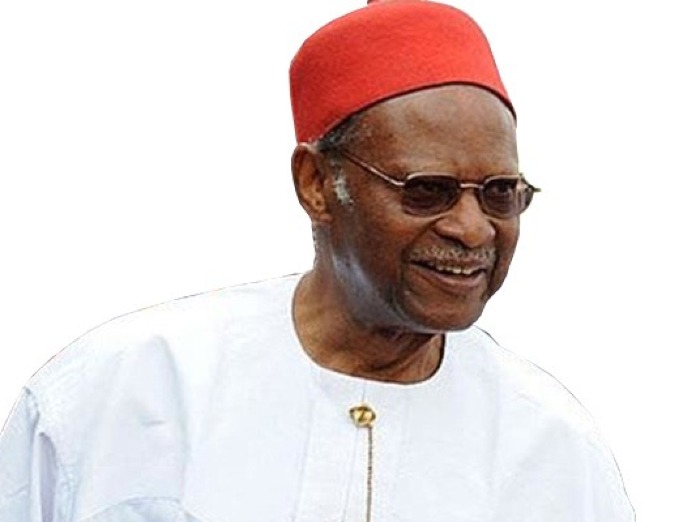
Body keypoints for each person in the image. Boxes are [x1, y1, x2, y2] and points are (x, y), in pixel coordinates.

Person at [0, 0, 634, 520]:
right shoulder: (124, 390)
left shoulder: (555, 452)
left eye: (499, 194)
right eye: (426, 191)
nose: (472, 229)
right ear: (316, 184)